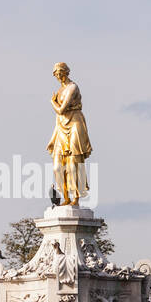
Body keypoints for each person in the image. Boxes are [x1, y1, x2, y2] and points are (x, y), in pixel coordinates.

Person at [47, 62, 92, 205]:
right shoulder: (60, 90)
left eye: (60, 72)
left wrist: (52, 102)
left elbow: (61, 109)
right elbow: (60, 114)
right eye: (56, 73)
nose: (58, 75)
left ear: (66, 72)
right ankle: (66, 197)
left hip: (75, 122)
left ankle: (76, 198)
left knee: (73, 163)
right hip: (61, 125)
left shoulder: (73, 87)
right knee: (57, 166)